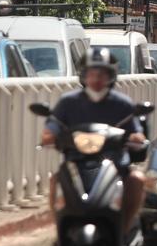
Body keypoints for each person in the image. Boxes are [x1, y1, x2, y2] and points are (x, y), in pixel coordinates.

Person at [39, 48, 147, 233]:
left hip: (115, 165)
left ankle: (125, 230)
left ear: (111, 76)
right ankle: (60, 230)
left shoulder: (123, 104)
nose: (96, 80)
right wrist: (53, 139)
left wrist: (132, 138)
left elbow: (138, 135)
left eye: (102, 74)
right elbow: (49, 133)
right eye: (91, 74)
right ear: (83, 76)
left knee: (137, 179)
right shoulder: (67, 102)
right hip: (77, 164)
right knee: (55, 180)